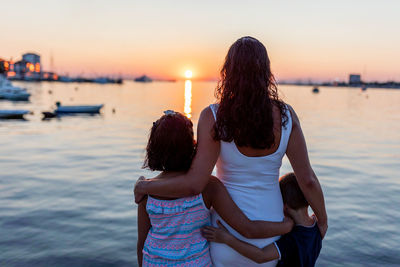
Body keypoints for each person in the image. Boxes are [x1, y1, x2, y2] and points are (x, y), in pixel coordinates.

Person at [135, 36, 327, 266]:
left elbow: (194, 183)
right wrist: (322, 222)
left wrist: (146, 185)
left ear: (228, 72)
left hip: (224, 234)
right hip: (271, 235)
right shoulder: (286, 116)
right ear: (266, 71)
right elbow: (308, 181)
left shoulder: (213, 116)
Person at [137, 111, 293, 266]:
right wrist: (286, 226)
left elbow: (142, 244)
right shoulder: (208, 187)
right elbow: (248, 228)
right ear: (194, 146)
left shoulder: (147, 191)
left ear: (154, 148)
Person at [201, 172, 322, 267]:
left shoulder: (292, 239)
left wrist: (227, 239)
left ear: (284, 206)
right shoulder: (318, 229)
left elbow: (261, 256)